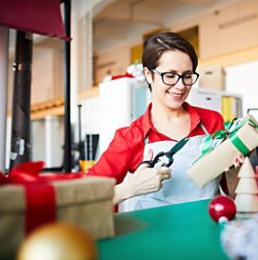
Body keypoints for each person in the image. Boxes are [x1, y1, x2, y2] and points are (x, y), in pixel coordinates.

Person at [88, 32, 228, 210]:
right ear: (149, 75)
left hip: (208, 230)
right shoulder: (131, 137)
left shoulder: (212, 122)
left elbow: (230, 188)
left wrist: (237, 165)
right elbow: (86, 197)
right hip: (154, 234)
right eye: (170, 75)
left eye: (187, 76)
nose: (180, 86)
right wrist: (131, 188)